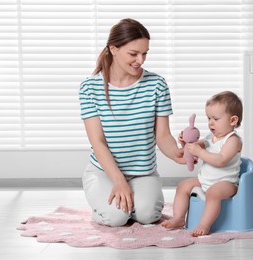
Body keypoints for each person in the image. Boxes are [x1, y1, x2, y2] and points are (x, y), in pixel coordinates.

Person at [79, 18, 184, 227]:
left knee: (148, 215)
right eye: (133, 53)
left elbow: (162, 135)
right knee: (116, 218)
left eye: (145, 53)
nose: (140, 60)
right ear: (113, 49)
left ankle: (133, 203)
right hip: (104, 172)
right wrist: (118, 180)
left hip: (143, 172)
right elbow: (98, 142)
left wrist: (177, 153)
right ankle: (104, 208)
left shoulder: (157, 84)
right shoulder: (89, 88)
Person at [161, 91, 243, 237]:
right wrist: (186, 141)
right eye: (208, 118)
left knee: (213, 193)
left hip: (226, 183)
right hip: (205, 180)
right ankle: (179, 218)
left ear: (232, 120)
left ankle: (204, 225)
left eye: (216, 119)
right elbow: (196, 145)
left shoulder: (233, 140)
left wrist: (200, 152)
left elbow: (221, 160)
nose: (210, 122)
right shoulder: (211, 137)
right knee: (183, 186)